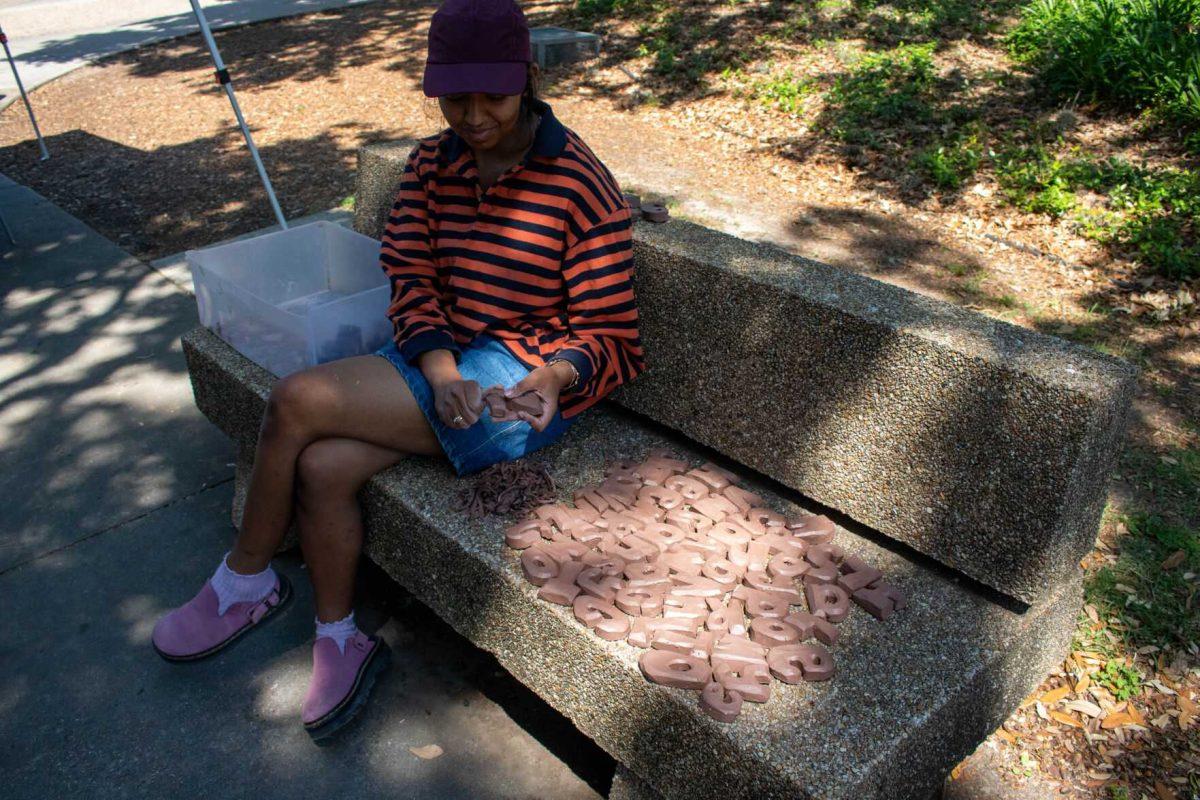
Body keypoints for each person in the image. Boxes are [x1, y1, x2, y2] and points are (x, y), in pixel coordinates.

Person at [150, 0, 645, 740]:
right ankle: (338, 637)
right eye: (455, 98)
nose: (473, 116)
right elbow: (410, 279)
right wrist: (441, 369)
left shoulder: (578, 184)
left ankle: (244, 581)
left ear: (529, 79)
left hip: (517, 388)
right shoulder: (429, 167)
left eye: (493, 96)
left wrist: (559, 377)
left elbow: (612, 334)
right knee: (320, 465)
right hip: (437, 365)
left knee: (295, 402)